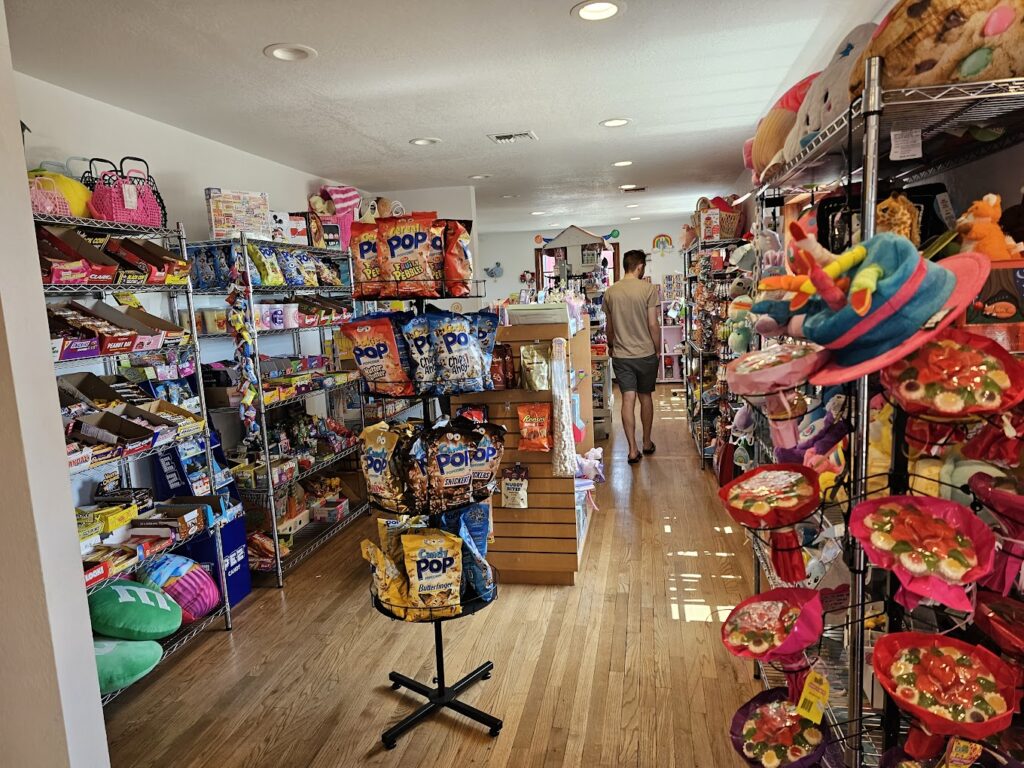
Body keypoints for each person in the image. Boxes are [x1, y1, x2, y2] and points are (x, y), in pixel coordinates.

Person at [603, 249, 660, 464]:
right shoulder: (648, 289)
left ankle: (632, 450)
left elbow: (609, 327)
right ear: (639, 267)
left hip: (621, 354)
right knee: (645, 397)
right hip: (645, 354)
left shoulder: (611, 292)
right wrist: (656, 349)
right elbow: (653, 324)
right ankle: (646, 442)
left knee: (628, 398)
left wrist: (610, 346)